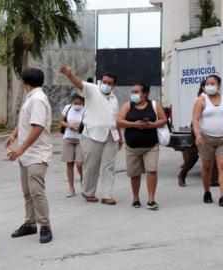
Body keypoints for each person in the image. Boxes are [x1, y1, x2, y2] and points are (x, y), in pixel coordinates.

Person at [59, 64, 123, 205]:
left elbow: (115, 119)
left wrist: (120, 137)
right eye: (104, 82)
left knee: (109, 166)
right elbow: (79, 83)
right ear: (100, 81)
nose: (106, 85)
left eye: (109, 83)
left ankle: (107, 195)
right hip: (92, 135)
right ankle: (88, 192)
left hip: (111, 136)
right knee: (91, 165)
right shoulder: (92, 90)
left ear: (114, 85)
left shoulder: (114, 99)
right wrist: (69, 75)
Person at [6, 68, 53, 243]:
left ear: (26, 83)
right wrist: (14, 134)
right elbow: (27, 121)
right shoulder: (31, 98)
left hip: (37, 154)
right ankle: (30, 223)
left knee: (36, 191)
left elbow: (38, 126)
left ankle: (45, 226)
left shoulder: (38, 99)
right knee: (27, 192)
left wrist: (21, 149)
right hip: (27, 155)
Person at [117, 84, 167, 210]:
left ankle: (151, 199)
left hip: (151, 146)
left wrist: (152, 125)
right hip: (132, 147)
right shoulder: (128, 105)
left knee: (152, 171)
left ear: (145, 94)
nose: (133, 94)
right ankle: (136, 198)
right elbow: (119, 120)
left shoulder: (155, 105)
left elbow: (163, 120)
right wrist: (133, 124)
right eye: (132, 91)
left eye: (136, 92)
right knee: (135, 174)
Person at [192, 74, 223, 207]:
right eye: (207, 83)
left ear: (219, 85)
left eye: (212, 83)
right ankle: (207, 192)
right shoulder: (201, 100)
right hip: (206, 139)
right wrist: (197, 135)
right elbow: (195, 119)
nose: (209, 86)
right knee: (207, 167)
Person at [178, 81, 219, 187]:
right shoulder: (200, 98)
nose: (210, 87)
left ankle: (213, 179)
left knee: (213, 153)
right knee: (194, 154)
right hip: (199, 129)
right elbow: (196, 118)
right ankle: (182, 175)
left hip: (212, 129)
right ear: (202, 87)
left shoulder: (217, 98)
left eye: (213, 85)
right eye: (208, 85)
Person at [59, 93, 85, 198]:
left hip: (81, 139)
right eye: (75, 103)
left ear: (83, 102)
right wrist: (69, 125)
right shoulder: (68, 108)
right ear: (72, 102)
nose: (77, 105)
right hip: (68, 138)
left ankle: (83, 179)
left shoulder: (86, 109)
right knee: (69, 164)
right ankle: (71, 188)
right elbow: (61, 120)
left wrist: (80, 126)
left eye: (79, 103)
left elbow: (89, 122)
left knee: (79, 163)